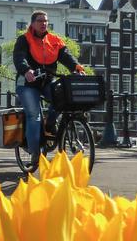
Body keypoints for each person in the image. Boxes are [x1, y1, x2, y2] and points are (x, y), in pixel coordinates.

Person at [13, 10, 85, 172]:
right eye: (40, 21)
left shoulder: (54, 40)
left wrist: (76, 67)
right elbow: (19, 57)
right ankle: (35, 153)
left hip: (46, 81)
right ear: (32, 23)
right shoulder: (24, 40)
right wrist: (26, 70)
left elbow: (66, 56)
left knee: (63, 99)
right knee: (34, 116)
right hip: (27, 83)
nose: (43, 23)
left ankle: (51, 123)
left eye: (45, 21)